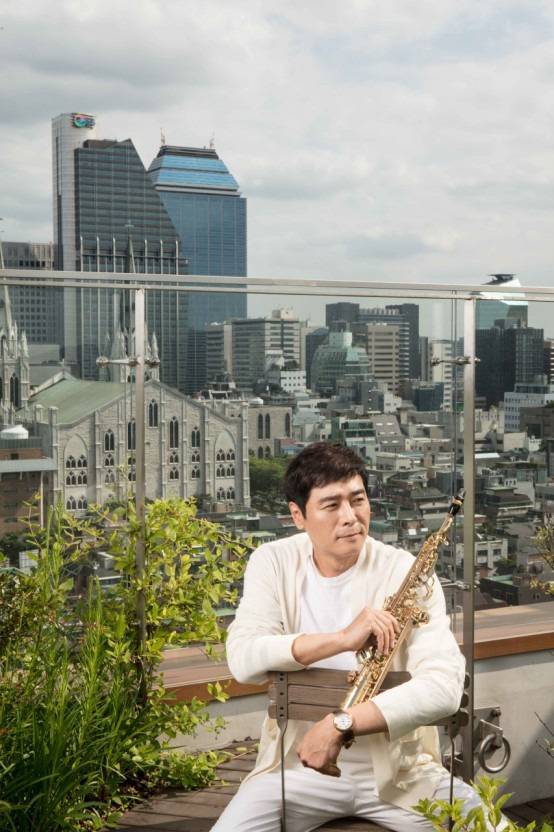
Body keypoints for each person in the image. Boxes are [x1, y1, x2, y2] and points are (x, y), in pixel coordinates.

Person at [212, 442, 480, 832]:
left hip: (402, 772)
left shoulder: (404, 570)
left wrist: (340, 724)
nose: (350, 517)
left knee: (490, 826)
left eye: (358, 500)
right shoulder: (272, 562)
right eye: (332, 505)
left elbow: (444, 687)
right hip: (296, 770)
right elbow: (243, 660)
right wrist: (341, 638)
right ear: (298, 516)